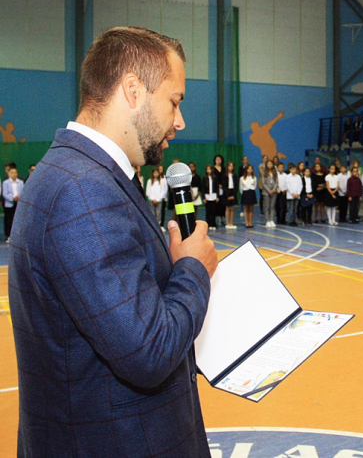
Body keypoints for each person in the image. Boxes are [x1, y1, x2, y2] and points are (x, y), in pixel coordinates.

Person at [9, 26, 218, 456]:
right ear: (133, 90)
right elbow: (149, 350)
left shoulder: (81, 174)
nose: (180, 122)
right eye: (174, 101)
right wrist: (193, 269)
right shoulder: (83, 190)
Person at [3, 166, 24, 243]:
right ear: (9, 174)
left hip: (18, 204)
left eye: (15, 172)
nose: (14, 174)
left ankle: (18, 236)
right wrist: (12, 198)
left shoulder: (21, 182)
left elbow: (23, 192)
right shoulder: (5, 183)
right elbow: (5, 193)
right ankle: (8, 235)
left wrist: (18, 197)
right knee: (9, 220)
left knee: (18, 220)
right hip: (9, 204)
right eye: (12, 172)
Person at [260, 160, 278, 228]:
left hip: (274, 191)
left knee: (272, 206)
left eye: (271, 164)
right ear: (266, 165)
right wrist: (268, 190)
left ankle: (271, 220)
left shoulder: (275, 172)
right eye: (268, 164)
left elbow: (276, 182)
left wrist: (273, 189)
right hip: (266, 192)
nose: (270, 165)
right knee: (267, 206)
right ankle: (267, 220)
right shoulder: (264, 172)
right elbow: (263, 183)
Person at [222, 161, 238, 229]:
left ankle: (231, 222)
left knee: (232, 208)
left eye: (232, 166)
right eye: (229, 166)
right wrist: (228, 195)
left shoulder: (234, 175)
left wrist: (233, 195)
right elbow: (224, 186)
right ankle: (227, 222)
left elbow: (236, 185)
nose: (231, 167)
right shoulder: (225, 175)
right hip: (227, 193)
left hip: (232, 192)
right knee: (228, 208)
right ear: (227, 167)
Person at [204, 165, 219, 230]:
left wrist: (217, 196)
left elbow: (217, 187)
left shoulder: (215, 178)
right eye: (207, 169)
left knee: (213, 211)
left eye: (209, 169)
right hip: (207, 196)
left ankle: (213, 223)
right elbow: (203, 188)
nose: (208, 171)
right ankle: (208, 224)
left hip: (213, 196)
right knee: (208, 211)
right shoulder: (205, 178)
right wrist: (204, 197)